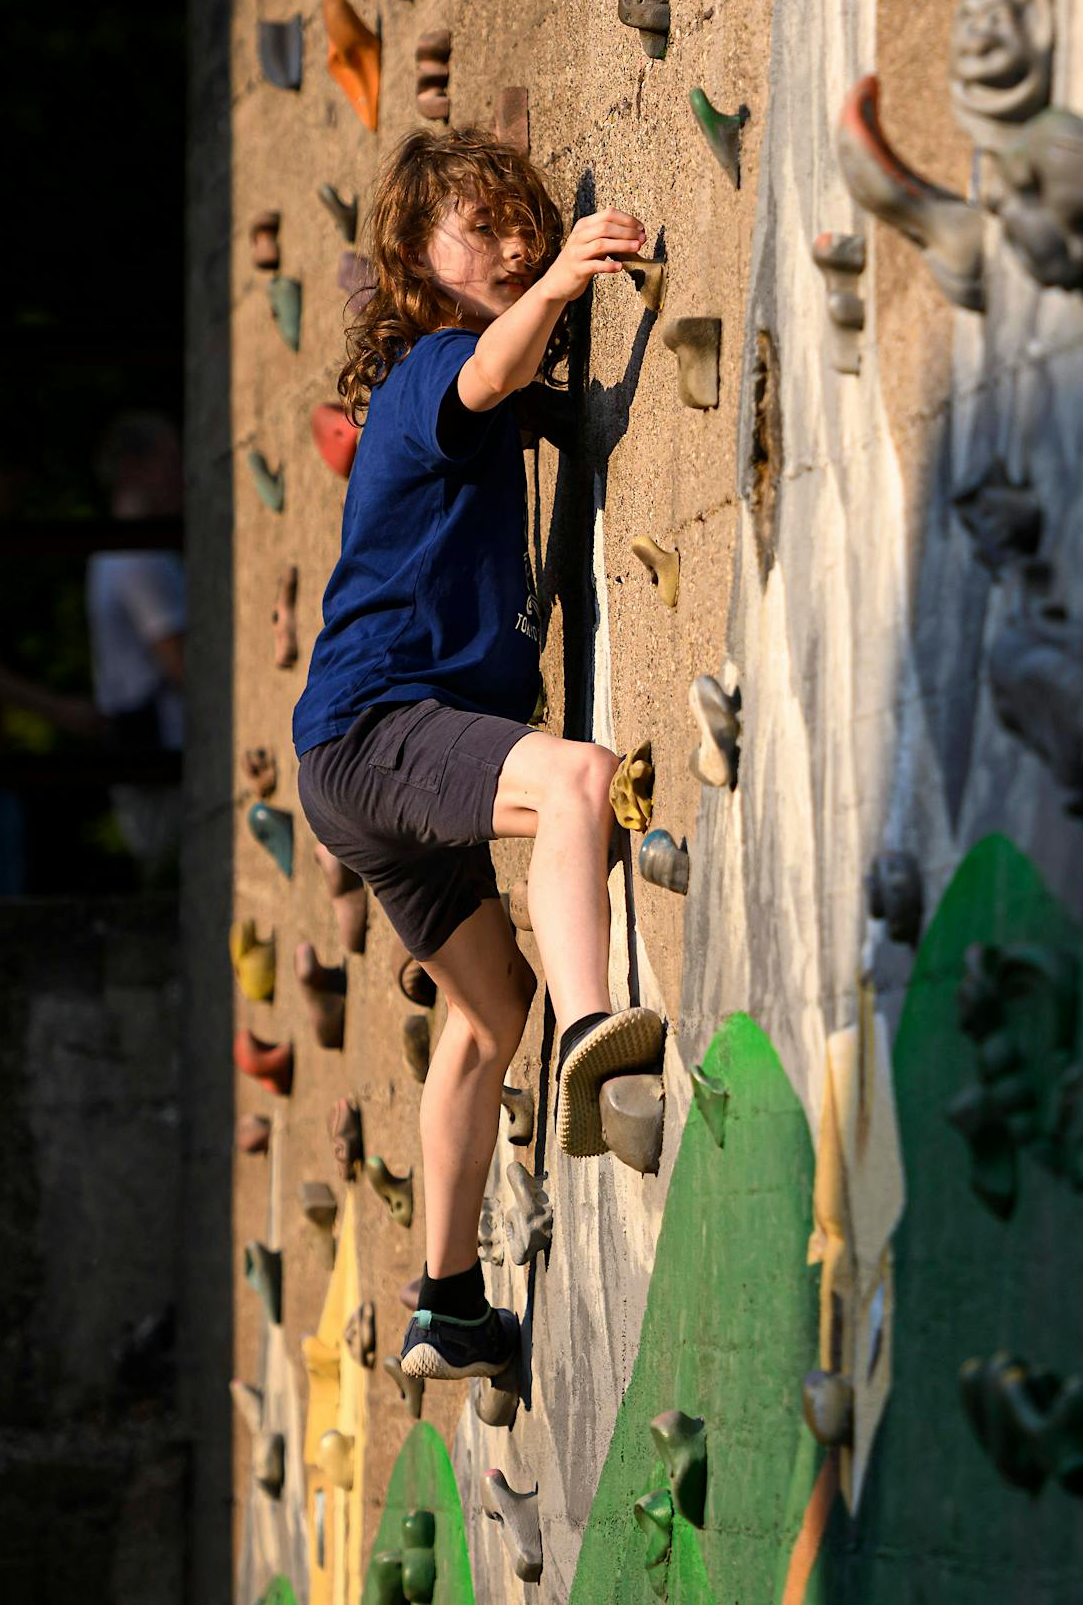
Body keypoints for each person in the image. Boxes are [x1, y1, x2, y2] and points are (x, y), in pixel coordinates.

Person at [294, 127, 659, 1384]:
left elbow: (527, 395)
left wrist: (576, 378)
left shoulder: (486, 392)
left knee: (482, 1007)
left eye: (525, 222)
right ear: (412, 260)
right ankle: (593, 1036)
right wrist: (562, 279)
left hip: (353, 764)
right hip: (379, 724)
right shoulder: (432, 371)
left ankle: (449, 1303)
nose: (513, 242)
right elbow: (489, 377)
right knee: (573, 777)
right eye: (485, 229)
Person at [87, 412, 186, 878]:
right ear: (133, 468)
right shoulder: (137, 558)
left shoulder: (116, 553)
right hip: (165, 760)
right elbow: (181, 663)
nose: (180, 476)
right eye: (168, 462)